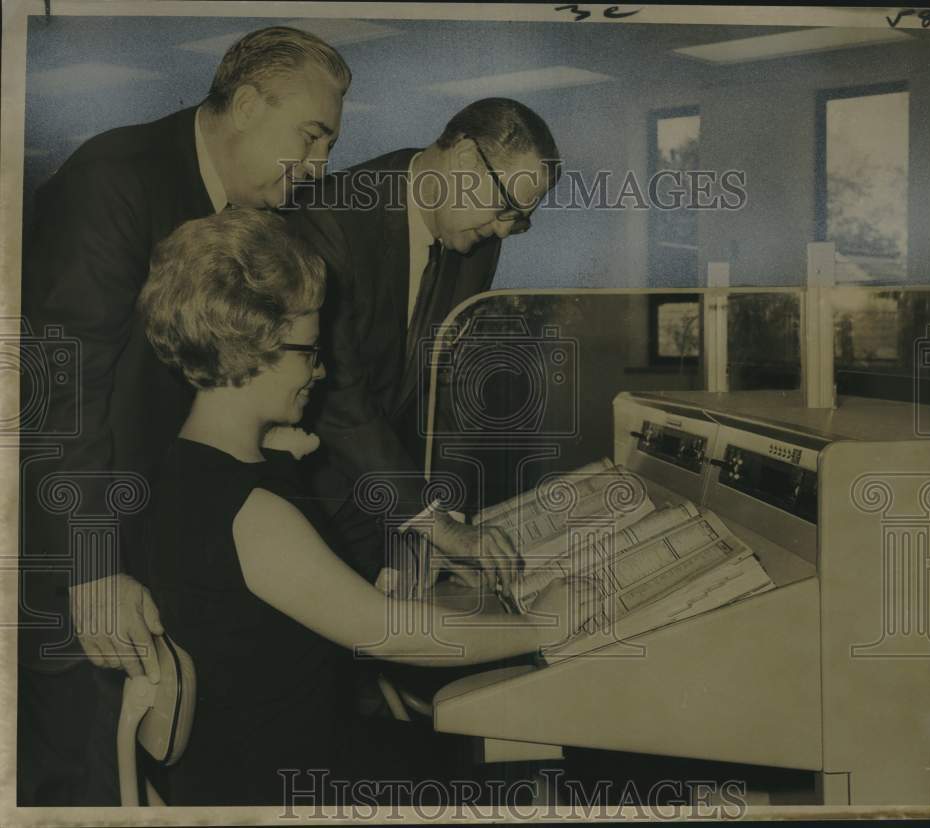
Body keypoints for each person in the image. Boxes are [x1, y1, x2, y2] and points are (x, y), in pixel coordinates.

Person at [138, 208, 592, 806]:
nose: (321, 370)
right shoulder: (249, 509)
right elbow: (385, 636)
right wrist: (549, 624)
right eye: (309, 350)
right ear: (251, 349)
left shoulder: (184, 468)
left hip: (243, 764)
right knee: (523, 773)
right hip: (279, 785)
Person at [18, 26, 349, 805]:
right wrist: (93, 565)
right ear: (243, 104)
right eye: (312, 135)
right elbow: (57, 393)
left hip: (144, 538)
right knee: (94, 785)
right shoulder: (116, 182)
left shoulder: (240, 213)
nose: (321, 164)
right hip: (76, 555)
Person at [285, 98, 562, 588]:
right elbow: (338, 396)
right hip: (306, 495)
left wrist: (445, 514)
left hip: (391, 497)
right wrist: (436, 526)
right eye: (505, 209)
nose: (503, 230)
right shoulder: (332, 217)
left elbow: (448, 380)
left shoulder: (474, 234)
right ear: (463, 158)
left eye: (519, 220)